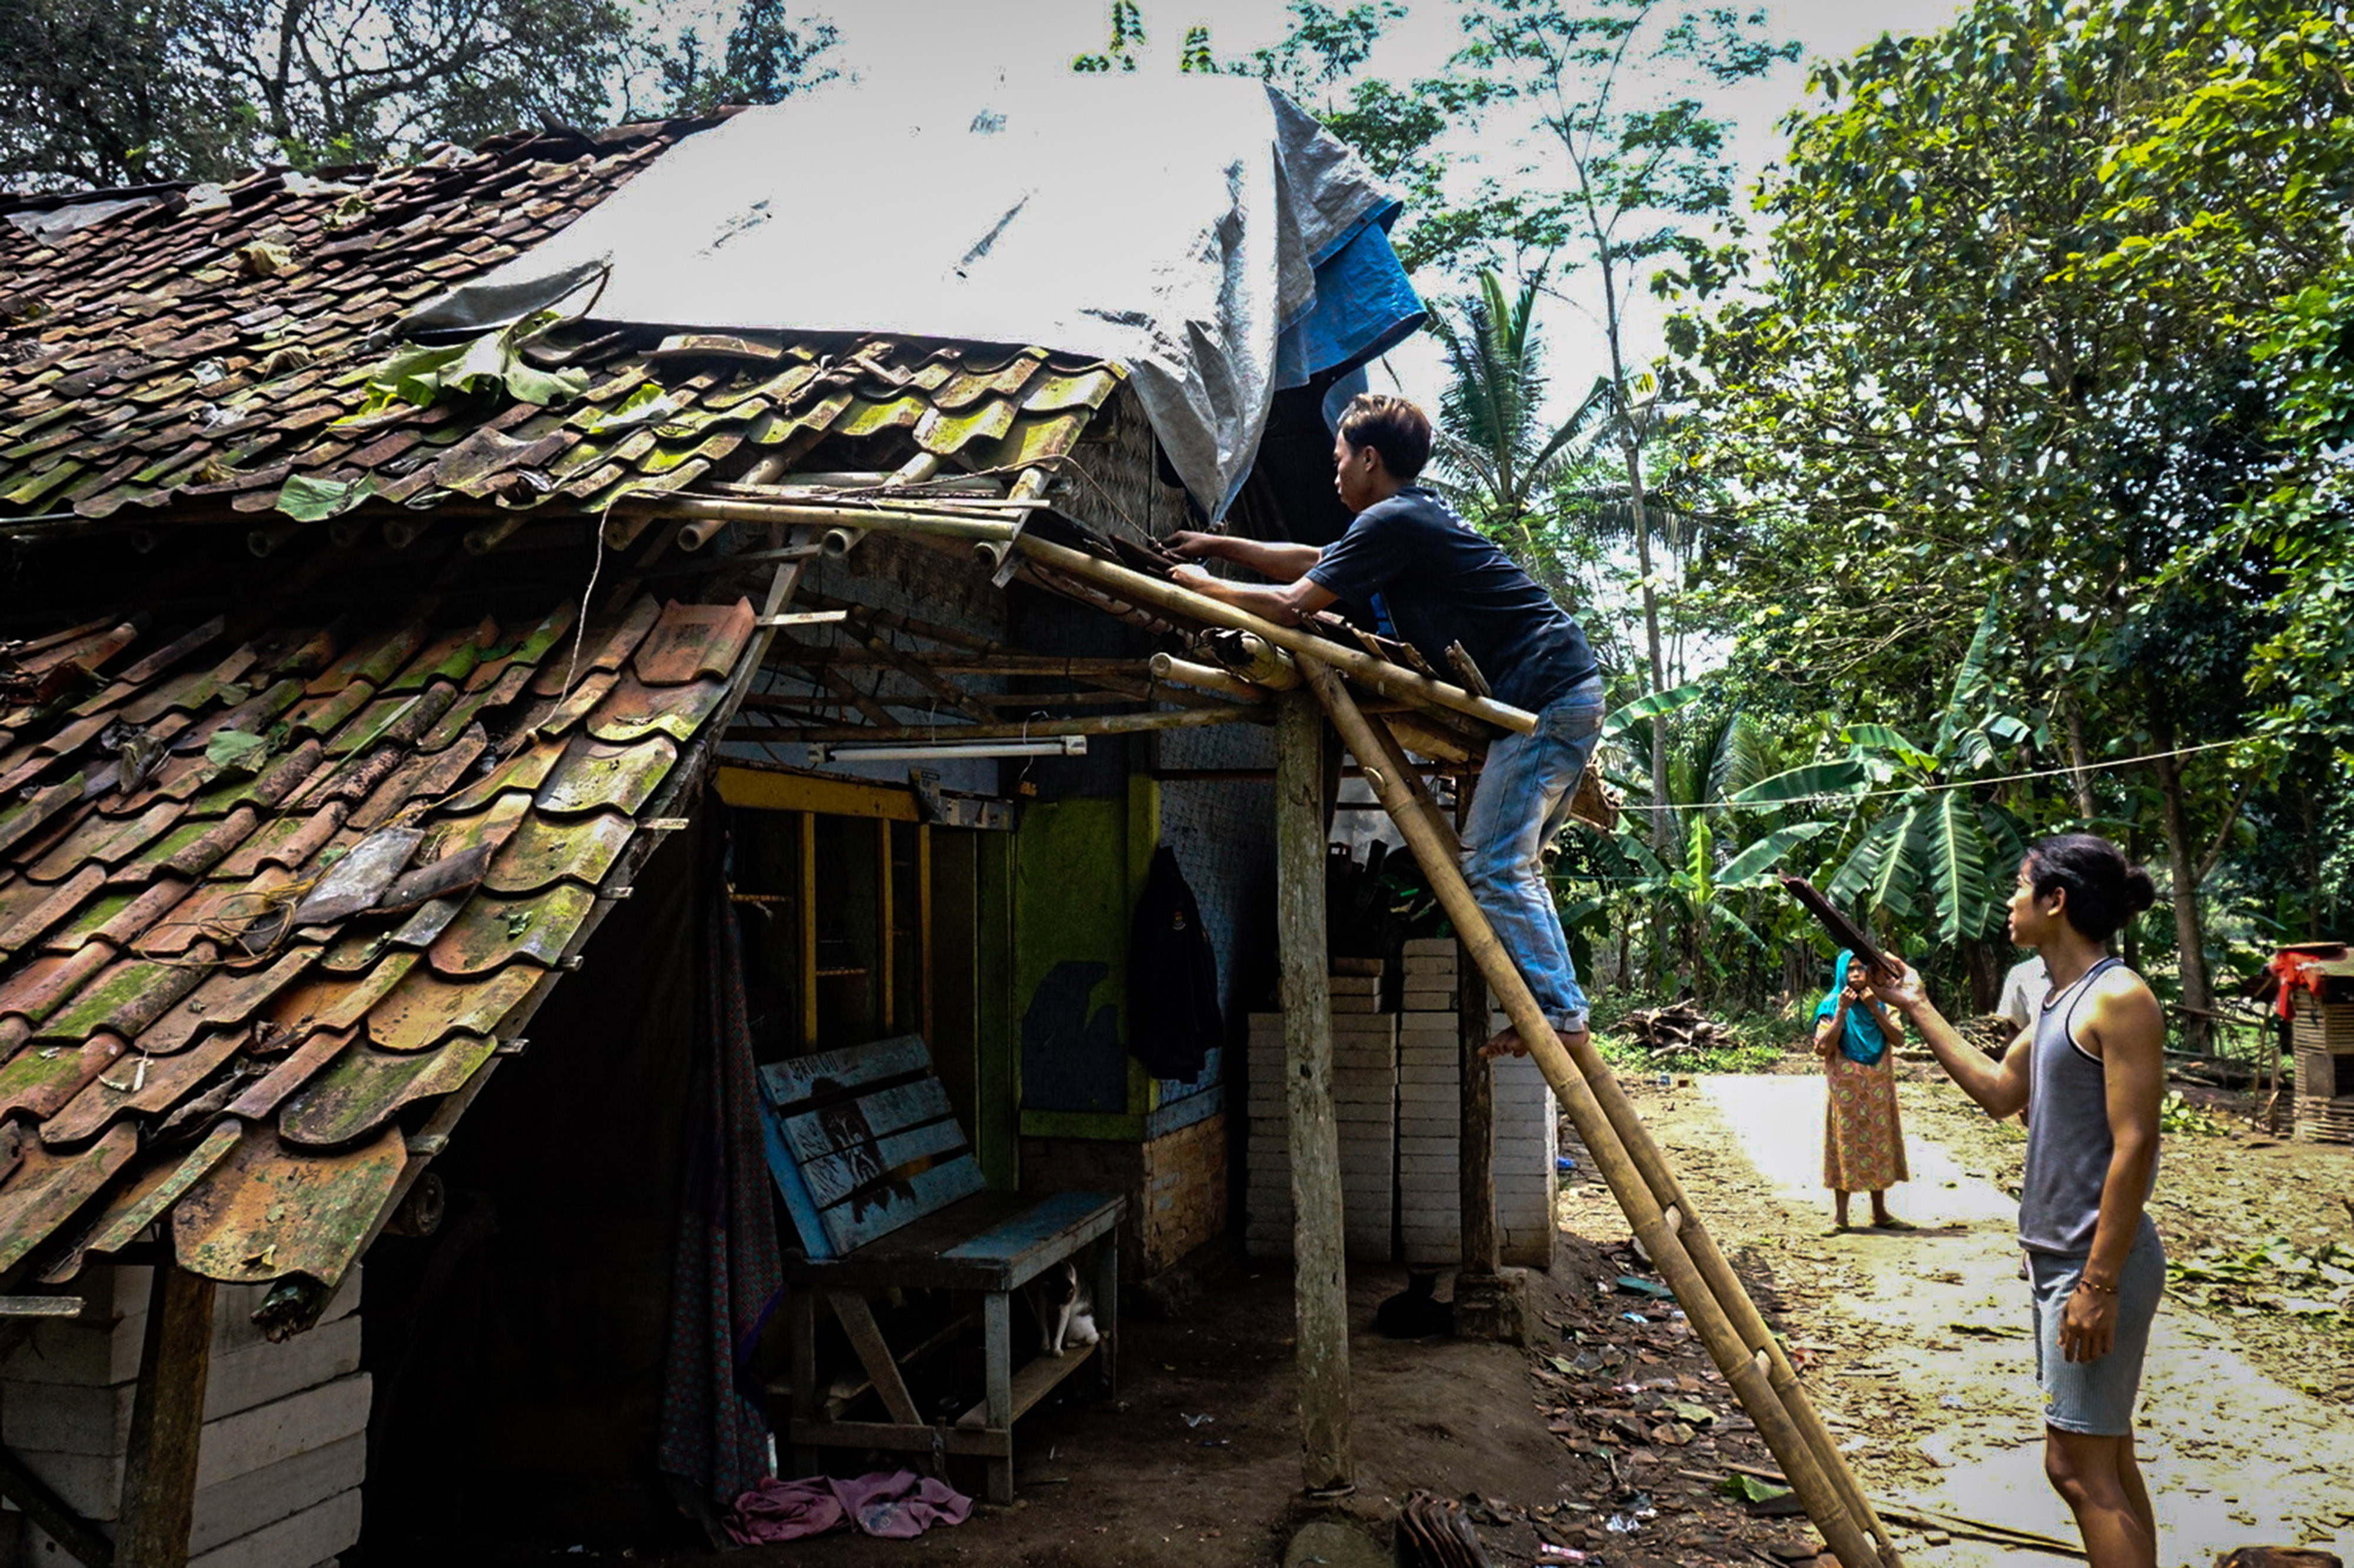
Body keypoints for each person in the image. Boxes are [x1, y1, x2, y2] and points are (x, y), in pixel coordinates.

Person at [1165, 393, 1605, 1061]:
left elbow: (1293, 603)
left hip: (1544, 695)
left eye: (1339, 459)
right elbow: (1314, 559)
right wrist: (1220, 545)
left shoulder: (1394, 520)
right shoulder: (1405, 520)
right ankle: (1553, 1008)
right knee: (1508, 869)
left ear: (1369, 458)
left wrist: (1204, 584)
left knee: (1491, 865)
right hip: (1561, 689)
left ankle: (1562, 1014)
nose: (1333, 473)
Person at [1868, 834, 2165, 1568]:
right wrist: (1917, 1003)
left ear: (2055, 900)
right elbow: (2001, 1092)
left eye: (2019, 884)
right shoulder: (2063, 998)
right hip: (2063, 1256)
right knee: (2107, 1461)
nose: (2007, 899)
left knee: (2075, 1469)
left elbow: (2136, 1147)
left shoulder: (2119, 996)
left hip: (2095, 1260)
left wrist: (2097, 1283)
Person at [1811, 949, 1908, 1230]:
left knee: (1879, 1143)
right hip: (1846, 1091)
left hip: (1879, 1088)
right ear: (1842, 973)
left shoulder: (1884, 1003)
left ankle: (1880, 1213)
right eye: (1850, 969)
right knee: (1844, 1145)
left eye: (1861, 969)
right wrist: (1842, 1013)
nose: (1856, 974)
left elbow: (1899, 1039)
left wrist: (1875, 1009)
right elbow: (1822, 1048)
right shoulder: (1830, 1005)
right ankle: (1841, 1218)